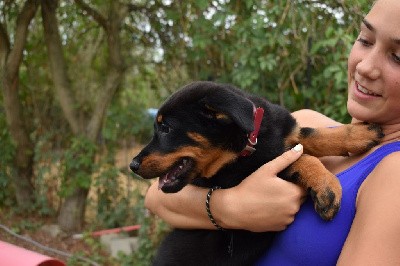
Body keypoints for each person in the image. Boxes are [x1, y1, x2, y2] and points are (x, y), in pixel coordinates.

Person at [144, 0, 400, 264]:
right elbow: (155, 197)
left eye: (398, 57)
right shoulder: (302, 123)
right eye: (365, 40)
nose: (365, 67)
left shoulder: (394, 174)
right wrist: (230, 207)